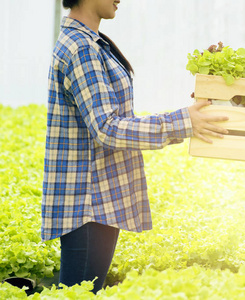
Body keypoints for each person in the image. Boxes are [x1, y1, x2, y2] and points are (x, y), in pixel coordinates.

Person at [42, 0, 228, 293]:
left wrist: (191, 114)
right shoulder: (82, 49)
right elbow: (106, 127)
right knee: (79, 293)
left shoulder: (91, 42)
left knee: (83, 291)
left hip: (97, 200)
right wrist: (181, 122)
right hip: (88, 203)